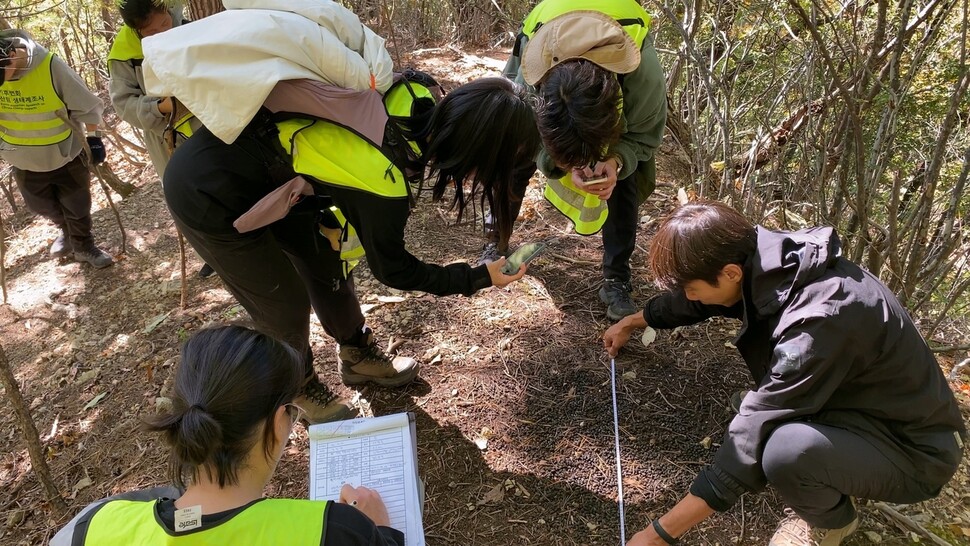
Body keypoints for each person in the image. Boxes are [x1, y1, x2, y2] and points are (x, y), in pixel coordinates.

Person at [142, 0, 539, 423]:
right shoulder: (382, 176)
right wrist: (480, 277)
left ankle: (356, 353)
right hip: (209, 193)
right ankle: (298, 382)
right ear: (475, 150)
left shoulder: (422, 96)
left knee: (328, 266)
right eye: (498, 166)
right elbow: (395, 270)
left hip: (282, 185)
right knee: (284, 306)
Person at [602, 201, 966, 546]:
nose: (690, 296)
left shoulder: (821, 319)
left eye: (693, 288)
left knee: (784, 450)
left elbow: (749, 436)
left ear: (730, 273)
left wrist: (657, 535)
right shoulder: (770, 263)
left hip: (912, 450)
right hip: (863, 407)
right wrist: (634, 322)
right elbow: (692, 300)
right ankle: (823, 443)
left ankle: (831, 522)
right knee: (771, 418)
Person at [51, 324, 404, 545]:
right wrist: (380, 532)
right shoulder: (335, 531)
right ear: (278, 422)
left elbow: (191, 521)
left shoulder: (94, 522)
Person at [494, 0, 668, 321]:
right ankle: (496, 241)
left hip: (618, 38)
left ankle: (616, 278)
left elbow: (644, 134)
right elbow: (518, 127)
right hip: (547, 27)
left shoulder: (639, 69)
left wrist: (616, 161)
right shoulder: (531, 70)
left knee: (624, 182)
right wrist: (558, 160)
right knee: (512, 160)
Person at [108, 0, 214, 278]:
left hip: (209, 124)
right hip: (165, 136)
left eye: (165, 25)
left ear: (168, 12)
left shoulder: (193, 27)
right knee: (186, 198)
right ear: (136, 31)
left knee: (223, 183)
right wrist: (160, 107)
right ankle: (213, 255)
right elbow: (123, 103)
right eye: (150, 32)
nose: (161, 33)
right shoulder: (124, 54)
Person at [0, 31, 114, 268]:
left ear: (11, 54)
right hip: (21, 158)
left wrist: (94, 139)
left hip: (65, 154)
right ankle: (67, 231)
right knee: (40, 206)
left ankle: (84, 246)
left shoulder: (50, 66)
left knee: (78, 205)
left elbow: (87, 105)